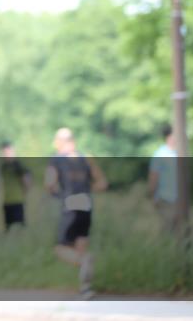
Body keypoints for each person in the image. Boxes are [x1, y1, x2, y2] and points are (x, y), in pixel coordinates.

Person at [45, 128, 108, 300]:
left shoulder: (57, 159)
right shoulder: (86, 158)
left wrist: (58, 194)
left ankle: (83, 261)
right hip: (86, 202)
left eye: (57, 142)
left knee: (60, 248)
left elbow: (49, 183)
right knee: (80, 243)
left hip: (70, 203)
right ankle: (86, 288)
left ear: (62, 142)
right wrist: (88, 190)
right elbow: (102, 183)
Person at [148, 124, 178, 228]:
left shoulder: (180, 152)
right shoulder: (160, 154)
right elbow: (154, 177)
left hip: (180, 200)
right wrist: (153, 196)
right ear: (169, 136)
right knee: (168, 230)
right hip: (165, 199)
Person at [0, 141, 30, 230]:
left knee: (19, 227)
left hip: (17, 200)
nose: (6, 154)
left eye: (7, 151)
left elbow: (26, 181)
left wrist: (24, 194)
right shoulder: (3, 166)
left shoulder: (18, 165)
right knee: (8, 227)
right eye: (4, 152)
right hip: (7, 200)